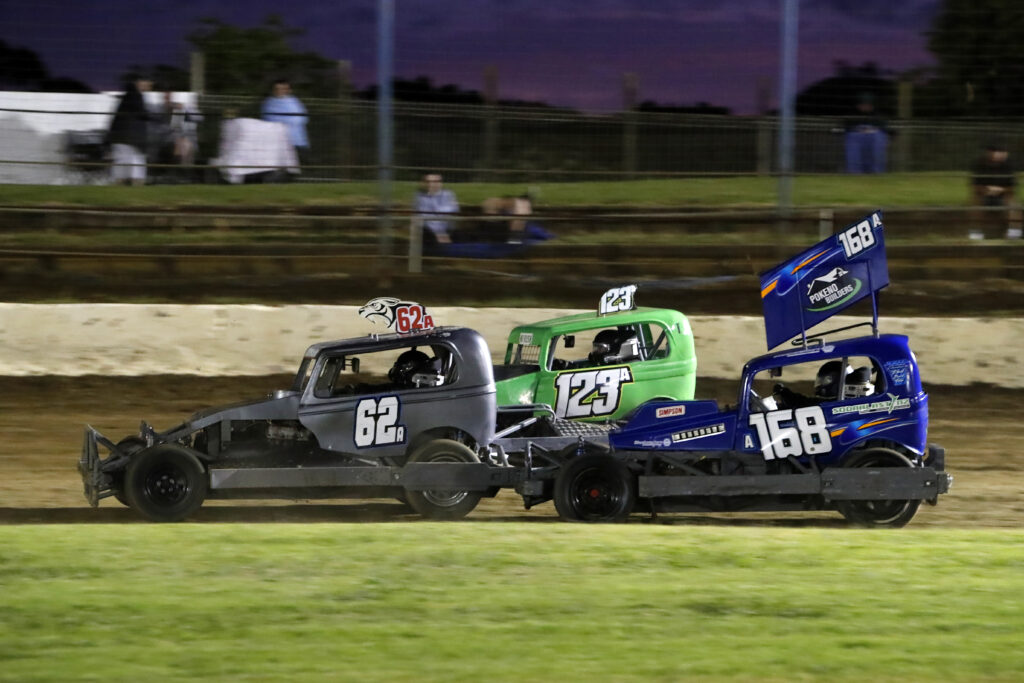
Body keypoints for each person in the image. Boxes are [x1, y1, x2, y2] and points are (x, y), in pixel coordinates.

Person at [107, 72, 154, 186]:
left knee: (124, 167)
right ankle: (134, 187)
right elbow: (142, 113)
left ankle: (123, 187)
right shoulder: (135, 94)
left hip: (123, 139)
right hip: (128, 139)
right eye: (148, 83)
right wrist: (157, 117)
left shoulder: (130, 95)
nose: (150, 86)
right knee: (135, 167)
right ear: (140, 82)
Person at [969, 141, 1022, 240]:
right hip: (984, 194)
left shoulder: (1009, 165)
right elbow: (975, 186)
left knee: (1013, 202)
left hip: (1003, 195)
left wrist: (1001, 190)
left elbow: (1012, 187)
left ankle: (1014, 232)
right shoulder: (980, 164)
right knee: (975, 200)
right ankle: (976, 232)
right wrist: (986, 190)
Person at [773, 361, 874, 409]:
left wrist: (785, 394)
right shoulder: (852, 401)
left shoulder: (837, 404)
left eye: (823, 380)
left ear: (832, 380)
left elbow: (806, 403)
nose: (820, 384)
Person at [261, 79, 309, 165]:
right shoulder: (268, 103)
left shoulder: (295, 102)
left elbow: (302, 118)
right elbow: (268, 119)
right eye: (277, 89)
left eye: (283, 89)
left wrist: (284, 122)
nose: (280, 91)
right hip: (276, 142)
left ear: (289, 90)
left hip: (296, 140)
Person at [843, 93, 890, 174]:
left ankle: (876, 171)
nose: (865, 107)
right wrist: (859, 130)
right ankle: (855, 172)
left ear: (872, 106)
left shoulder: (878, 116)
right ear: (858, 105)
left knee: (877, 142)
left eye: (868, 105)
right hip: (856, 141)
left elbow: (885, 129)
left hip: (873, 141)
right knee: (854, 150)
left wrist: (872, 130)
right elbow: (846, 127)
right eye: (863, 105)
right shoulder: (852, 116)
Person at [413, 174, 460, 244]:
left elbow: (453, 211)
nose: (431, 184)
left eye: (435, 182)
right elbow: (424, 217)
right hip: (429, 232)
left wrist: (437, 213)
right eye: (427, 182)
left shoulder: (448, 194)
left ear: (440, 183)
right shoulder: (420, 196)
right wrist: (438, 233)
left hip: (448, 230)